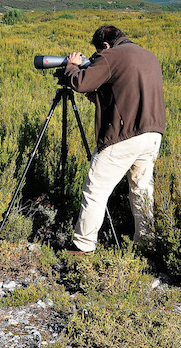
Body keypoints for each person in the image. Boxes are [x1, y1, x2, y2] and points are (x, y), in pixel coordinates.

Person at [64, 25, 166, 253]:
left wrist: (72, 65)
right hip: (152, 135)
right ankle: (147, 245)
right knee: (141, 191)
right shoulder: (149, 56)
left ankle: (83, 246)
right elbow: (125, 93)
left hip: (124, 136)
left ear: (105, 45)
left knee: (95, 190)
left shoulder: (111, 55)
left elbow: (80, 83)